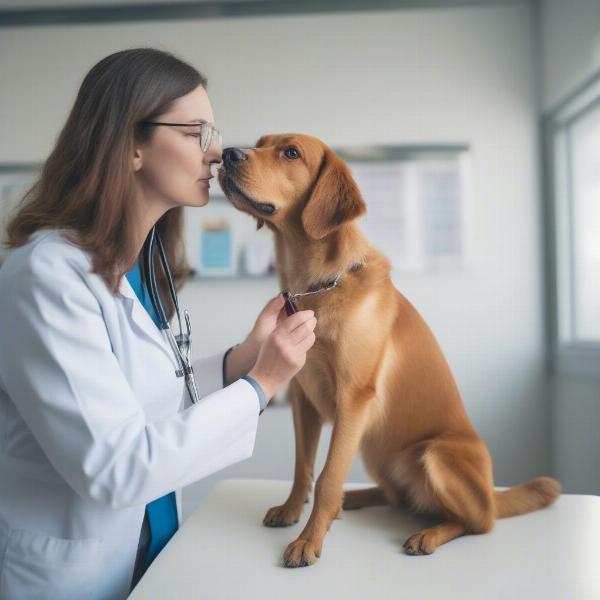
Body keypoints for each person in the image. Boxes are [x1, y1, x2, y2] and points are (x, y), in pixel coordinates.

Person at [0, 48, 317, 599]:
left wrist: (243, 360)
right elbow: (115, 468)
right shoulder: (45, 276)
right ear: (130, 145)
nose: (217, 151)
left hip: (152, 552)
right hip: (71, 576)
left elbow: (144, 402)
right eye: (197, 132)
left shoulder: (137, 271)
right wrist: (261, 384)